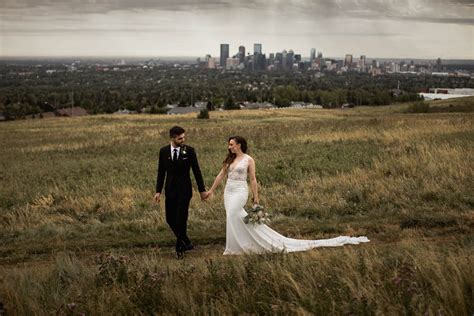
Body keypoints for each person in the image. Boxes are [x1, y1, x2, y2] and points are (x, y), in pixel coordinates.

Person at [206, 136, 369, 255]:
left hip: (240, 191)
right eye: (229, 145)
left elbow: (253, 179)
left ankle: (246, 244)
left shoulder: (249, 160)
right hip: (228, 191)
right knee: (232, 216)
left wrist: (256, 197)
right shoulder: (229, 159)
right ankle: (237, 244)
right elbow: (220, 175)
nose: (229, 147)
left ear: (239, 145)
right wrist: (212, 190)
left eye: (232, 145)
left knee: (235, 212)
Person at [154, 126, 206, 259]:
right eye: (180, 138)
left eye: (184, 137)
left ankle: (180, 248)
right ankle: (186, 241)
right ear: (172, 138)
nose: (183, 140)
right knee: (170, 218)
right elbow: (161, 172)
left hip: (185, 190)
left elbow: (196, 171)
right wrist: (158, 191)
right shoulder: (163, 151)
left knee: (181, 219)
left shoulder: (189, 151)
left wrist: (202, 190)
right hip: (170, 189)